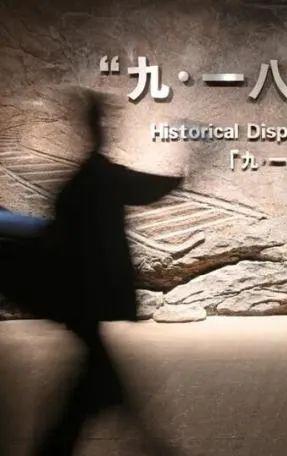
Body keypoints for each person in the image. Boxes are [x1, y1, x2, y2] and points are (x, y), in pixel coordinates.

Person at [0, 90, 182, 454]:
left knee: (98, 381)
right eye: (103, 121)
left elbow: (56, 233)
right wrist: (182, 177)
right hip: (88, 298)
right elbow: (144, 189)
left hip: (79, 300)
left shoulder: (79, 183)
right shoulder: (100, 176)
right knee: (97, 384)